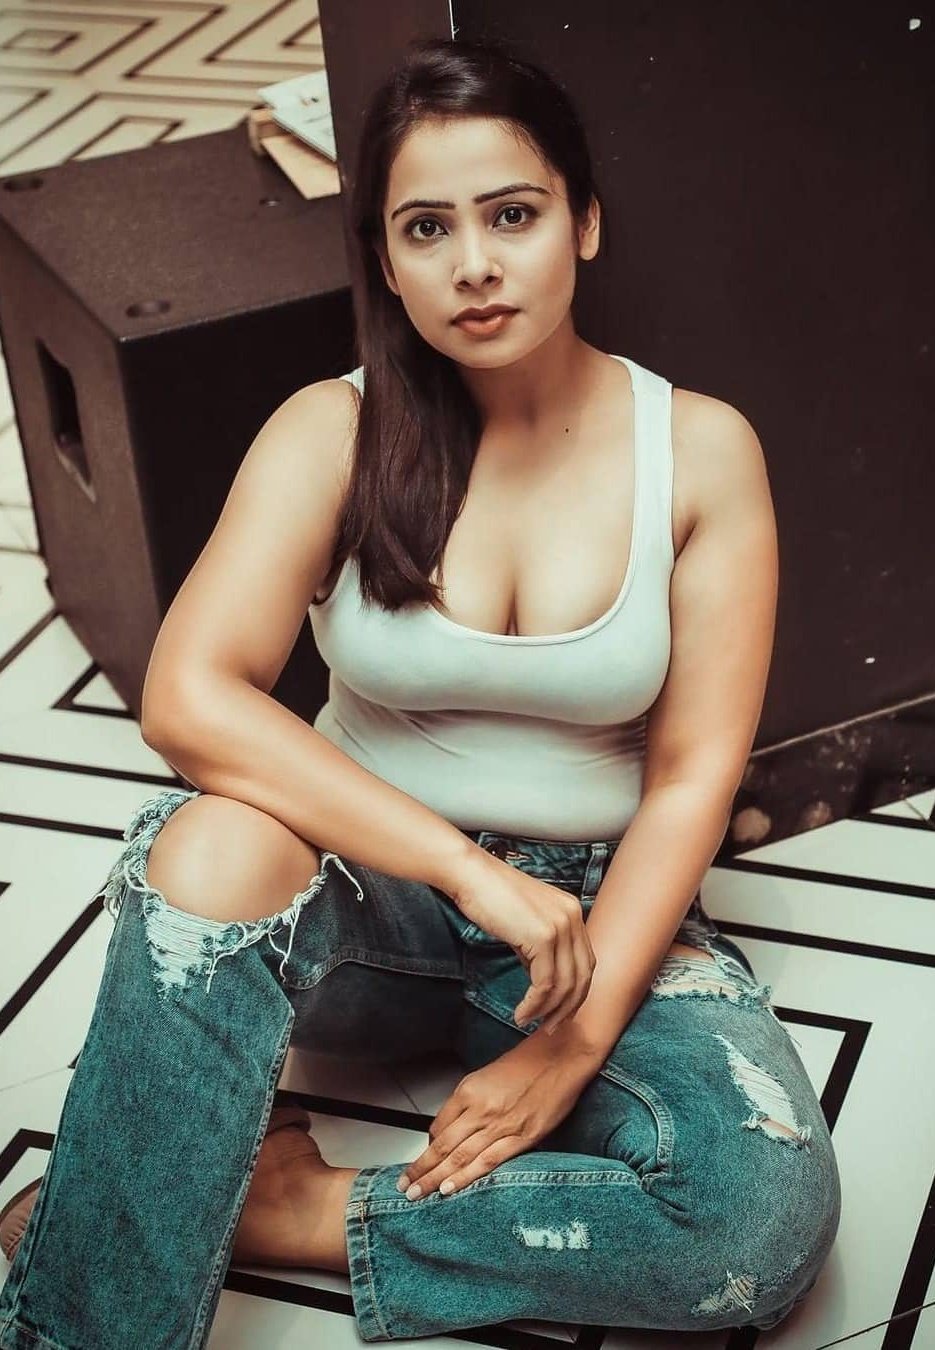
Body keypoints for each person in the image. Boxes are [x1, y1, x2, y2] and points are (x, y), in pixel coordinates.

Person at [0, 34, 840, 1349]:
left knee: (755, 1219)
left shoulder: (700, 451)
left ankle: (291, 1208)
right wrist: (461, 867)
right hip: (366, 888)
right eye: (427, 228)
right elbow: (188, 695)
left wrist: (569, 1046)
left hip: (587, 921)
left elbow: (690, 777)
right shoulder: (328, 430)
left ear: (585, 221)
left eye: (513, 214)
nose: (474, 264)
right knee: (203, 845)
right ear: (387, 262)